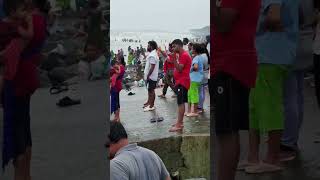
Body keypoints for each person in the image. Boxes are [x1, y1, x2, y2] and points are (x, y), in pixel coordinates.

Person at [243, 0, 299, 174]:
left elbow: (274, 18)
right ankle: (253, 157)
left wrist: (246, 25)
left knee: (269, 107)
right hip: (266, 55)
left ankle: (272, 158)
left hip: (271, 55)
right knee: (255, 107)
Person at [211, 0, 260, 179]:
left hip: (230, 65)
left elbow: (223, 24)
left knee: (226, 131)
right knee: (229, 130)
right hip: (232, 64)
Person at [1, 1, 48, 180]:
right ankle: (25, 176)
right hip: (26, 78)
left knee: (16, 131)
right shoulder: (38, 20)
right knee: (23, 128)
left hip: (16, 81)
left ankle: (20, 176)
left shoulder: (22, 23)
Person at [281, 0, 314, 161]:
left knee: (289, 96)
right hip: (307, 42)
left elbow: (284, 19)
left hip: (291, 45)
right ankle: (292, 137)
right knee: (298, 94)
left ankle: (287, 141)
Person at [169, 39, 191, 132]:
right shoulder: (182, 55)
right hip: (180, 82)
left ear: (179, 45)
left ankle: (179, 124)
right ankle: (179, 122)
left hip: (182, 82)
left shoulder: (184, 55)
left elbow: (179, 69)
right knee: (180, 103)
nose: (172, 48)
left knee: (180, 103)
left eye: (174, 46)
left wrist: (174, 59)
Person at [186, 43, 204, 117]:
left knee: (193, 94)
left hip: (194, 79)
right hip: (197, 79)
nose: (191, 50)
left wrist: (190, 70)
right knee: (190, 94)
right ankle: (189, 111)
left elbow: (196, 67)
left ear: (195, 50)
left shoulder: (196, 58)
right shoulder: (200, 57)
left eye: (193, 48)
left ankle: (194, 111)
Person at [143, 41, 159, 112]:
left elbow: (152, 67)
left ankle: (151, 106)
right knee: (150, 90)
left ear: (151, 46)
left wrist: (148, 75)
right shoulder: (152, 54)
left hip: (151, 76)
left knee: (151, 90)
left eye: (148, 45)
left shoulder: (153, 55)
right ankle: (149, 103)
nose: (147, 47)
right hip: (151, 76)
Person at [198, 44, 209, 113]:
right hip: (206, 74)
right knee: (202, 91)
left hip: (201, 75)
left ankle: (200, 106)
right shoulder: (206, 56)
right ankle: (201, 105)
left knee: (200, 91)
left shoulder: (201, 57)